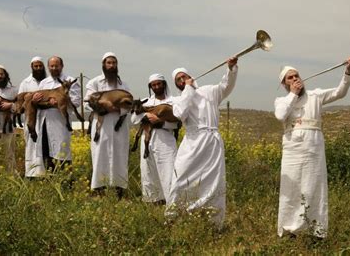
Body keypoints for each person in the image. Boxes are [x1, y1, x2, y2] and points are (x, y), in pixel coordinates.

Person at [274, 56, 350, 238]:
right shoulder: (281, 101)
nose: (295, 79)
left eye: (296, 75)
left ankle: (315, 230)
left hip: (314, 148)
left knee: (314, 186)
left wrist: (348, 71)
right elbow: (281, 115)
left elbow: (340, 92)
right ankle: (290, 229)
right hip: (292, 150)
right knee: (292, 188)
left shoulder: (315, 95)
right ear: (284, 84)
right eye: (290, 78)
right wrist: (293, 94)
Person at [165, 57, 238, 227]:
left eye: (184, 76)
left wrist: (231, 69)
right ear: (177, 84)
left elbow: (226, 86)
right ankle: (173, 217)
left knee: (212, 182)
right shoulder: (177, 100)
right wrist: (188, 90)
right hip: (192, 142)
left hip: (212, 141)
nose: (182, 80)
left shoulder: (209, 91)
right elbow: (180, 113)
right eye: (178, 79)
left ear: (191, 76)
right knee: (181, 178)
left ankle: (212, 222)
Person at [85, 52, 131, 199]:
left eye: (114, 63)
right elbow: (87, 103)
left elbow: (129, 106)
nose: (111, 66)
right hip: (101, 125)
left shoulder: (123, 85)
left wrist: (117, 109)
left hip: (119, 125)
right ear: (103, 65)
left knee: (120, 156)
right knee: (100, 155)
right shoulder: (94, 83)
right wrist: (105, 106)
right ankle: (99, 191)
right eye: (109, 63)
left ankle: (119, 191)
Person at [130, 73, 178, 205]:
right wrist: (147, 115)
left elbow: (177, 123)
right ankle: (153, 200)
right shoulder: (147, 101)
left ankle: (171, 202)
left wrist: (160, 121)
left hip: (165, 139)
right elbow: (134, 119)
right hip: (148, 139)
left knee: (168, 170)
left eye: (159, 84)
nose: (156, 87)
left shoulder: (173, 101)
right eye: (153, 85)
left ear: (164, 84)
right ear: (150, 87)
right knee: (148, 170)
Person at [32, 56, 81, 172]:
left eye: (57, 66)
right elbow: (39, 102)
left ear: (62, 66)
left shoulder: (70, 81)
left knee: (62, 154)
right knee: (46, 154)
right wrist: (35, 100)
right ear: (48, 67)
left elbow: (76, 102)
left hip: (61, 123)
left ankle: (66, 184)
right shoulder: (44, 83)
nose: (54, 68)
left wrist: (60, 101)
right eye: (52, 66)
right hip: (45, 122)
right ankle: (50, 183)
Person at [18, 56, 47, 178]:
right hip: (31, 121)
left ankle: (44, 174)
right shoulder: (25, 83)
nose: (38, 68)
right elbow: (20, 104)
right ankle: (30, 174)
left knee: (45, 147)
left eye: (40, 66)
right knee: (31, 147)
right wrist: (31, 100)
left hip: (46, 119)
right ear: (32, 67)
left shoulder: (48, 81)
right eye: (36, 66)